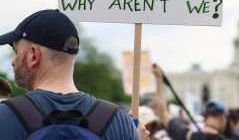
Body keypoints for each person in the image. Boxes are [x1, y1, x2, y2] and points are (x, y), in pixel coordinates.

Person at [0, 9, 140, 139]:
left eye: (16, 52)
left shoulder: (4, 116)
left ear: (33, 56)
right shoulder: (119, 121)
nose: (13, 62)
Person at [152, 63, 227, 140]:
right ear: (223, 118)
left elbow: (163, 114)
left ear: (204, 118)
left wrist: (158, 78)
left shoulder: (191, 136)